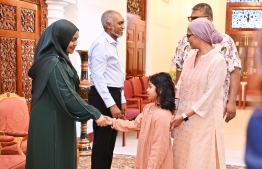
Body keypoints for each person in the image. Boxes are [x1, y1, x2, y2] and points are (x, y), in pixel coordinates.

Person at [26, 19, 107, 169]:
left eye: (77, 39)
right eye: (72, 39)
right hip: (51, 119)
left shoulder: (59, 60)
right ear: (60, 38)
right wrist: (95, 113)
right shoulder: (53, 63)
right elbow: (68, 95)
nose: (75, 43)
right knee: (52, 159)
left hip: (57, 115)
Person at [170, 18, 227, 169]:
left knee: (197, 159)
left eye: (189, 35)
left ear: (199, 35)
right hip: (184, 117)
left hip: (203, 119)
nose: (187, 39)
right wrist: (173, 105)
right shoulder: (190, 57)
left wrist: (184, 116)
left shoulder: (218, 60)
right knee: (182, 156)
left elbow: (209, 96)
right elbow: (181, 83)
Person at [171, 3, 241, 123]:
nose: (191, 22)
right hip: (187, 101)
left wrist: (232, 101)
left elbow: (234, 71)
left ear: (209, 20)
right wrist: (176, 99)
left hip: (213, 101)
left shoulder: (225, 41)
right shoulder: (185, 41)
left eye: (196, 18)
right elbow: (179, 69)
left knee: (206, 133)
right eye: (191, 18)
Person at [106, 72, 175, 169]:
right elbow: (135, 124)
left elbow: (159, 148)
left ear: (160, 90)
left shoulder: (163, 115)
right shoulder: (148, 107)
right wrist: (113, 122)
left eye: (150, 87)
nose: (147, 90)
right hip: (144, 156)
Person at [88, 10, 126, 169]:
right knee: (102, 142)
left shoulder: (111, 43)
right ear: (109, 25)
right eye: (120, 23)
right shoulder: (101, 45)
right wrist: (111, 104)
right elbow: (98, 78)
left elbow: (114, 74)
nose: (123, 26)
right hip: (103, 97)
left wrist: (121, 99)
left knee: (110, 142)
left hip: (113, 94)